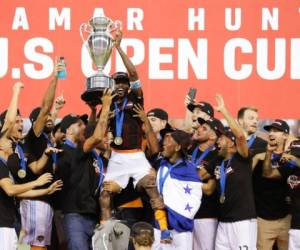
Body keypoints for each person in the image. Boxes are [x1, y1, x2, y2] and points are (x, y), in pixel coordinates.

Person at [99, 29, 171, 243]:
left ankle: (164, 229)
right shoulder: (109, 104)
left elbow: (133, 73)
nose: (120, 85)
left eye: (123, 83)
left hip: (136, 154)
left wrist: (118, 48)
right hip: (117, 156)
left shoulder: (136, 99)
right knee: (105, 195)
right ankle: (105, 232)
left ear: (128, 86)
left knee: (151, 187)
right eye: (117, 82)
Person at [0, 82, 62, 250]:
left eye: (22, 121)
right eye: (17, 121)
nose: (20, 124)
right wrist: (15, 92)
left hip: (11, 217)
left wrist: (45, 190)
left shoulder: (16, 152)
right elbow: (11, 190)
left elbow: (17, 190)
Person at [205, 94, 257, 250]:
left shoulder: (242, 157)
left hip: (242, 222)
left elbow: (240, 136)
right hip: (223, 222)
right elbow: (200, 180)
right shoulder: (218, 162)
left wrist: (224, 111)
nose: (217, 141)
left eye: (221, 138)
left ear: (230, 141)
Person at [152, 130, 216, 250]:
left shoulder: (189, 170)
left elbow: (194, 199)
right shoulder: (159, 164)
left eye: (168, 141)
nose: (164, 144)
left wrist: (166, 204)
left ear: (177, 147)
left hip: (180, 229)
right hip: (159, 225)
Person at [252, 120, 291, 250]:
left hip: (286, 218)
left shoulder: (291, 158)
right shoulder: (258, 156)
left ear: (285, 135)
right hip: (263, 220)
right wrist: (264, 155)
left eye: (276, 131)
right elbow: (246, 177)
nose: (271, 133)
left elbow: (269, 173)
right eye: (270, 131)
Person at [190, 117, 222, 250]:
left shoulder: (217, 155)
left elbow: (209, 189)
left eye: (204, 128)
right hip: (187, 213)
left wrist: (183, 181)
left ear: (214, 135)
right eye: (199, 126)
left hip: (206, 215)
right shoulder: (189, 150)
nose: (199, 129)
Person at [262, 139, 300, 250]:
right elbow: (267, 173)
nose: (296, 157)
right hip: (295, 226)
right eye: (295, 154)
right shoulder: (290, 169)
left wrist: (296, 161)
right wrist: (268, 154)